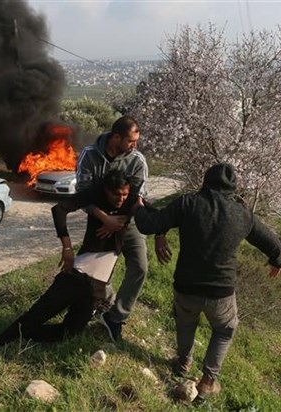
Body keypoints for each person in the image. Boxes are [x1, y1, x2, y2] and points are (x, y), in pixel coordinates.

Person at [134, 163, 281, 398]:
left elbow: (148, 223)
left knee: (185, 323)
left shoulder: (187, 203)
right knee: (224, 330)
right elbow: (271, 242)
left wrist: (139, 207)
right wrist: (277, 260)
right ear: (233, 189)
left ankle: (183, 363)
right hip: (221, 292)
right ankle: (207, 381)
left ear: (205, 181)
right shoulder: (243, 214)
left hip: (186, 286)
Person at [0, 170, 138, 348]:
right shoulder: (94, 195)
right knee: (34, 317)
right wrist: (67, 247)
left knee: (69, 333)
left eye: (125, 194)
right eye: (116, 194)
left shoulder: (131, 200)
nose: (121, 198)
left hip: (96, 288)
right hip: (77, 276)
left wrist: (156, 234)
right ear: (107, 190)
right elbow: (59, 209)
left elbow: (152, 218)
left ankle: (22, 335)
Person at [76, 115, 168, 342]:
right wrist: (105, 219)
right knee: (92, 270)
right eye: (131, 141)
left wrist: (119, 221)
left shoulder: (137, 161)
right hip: (99, 221)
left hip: (129, 221)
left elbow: (138, 198)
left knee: (140, 267)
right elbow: (81, 195)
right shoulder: (90, 156)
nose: (135, 146)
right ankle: (102, 302)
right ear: (116, 137)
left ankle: (115, 317)